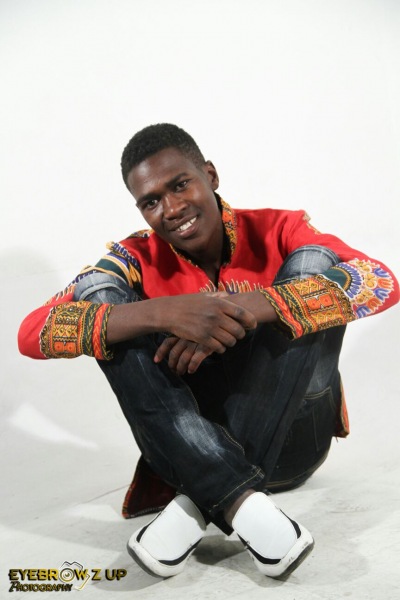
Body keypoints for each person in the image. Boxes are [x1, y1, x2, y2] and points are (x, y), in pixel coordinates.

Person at [18, 123, 399, 580]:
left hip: (293, 443)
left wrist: (239, 310)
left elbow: (379, 280)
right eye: (151, 202)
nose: (171, 209)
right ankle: (243, 504)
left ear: (211, 175)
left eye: (180, 185)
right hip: (189, 447)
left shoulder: (279, 227)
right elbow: (31, 332)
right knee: (100, 294)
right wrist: (163, 313)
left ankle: (199, 506)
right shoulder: (133, 257)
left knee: (315, 263)